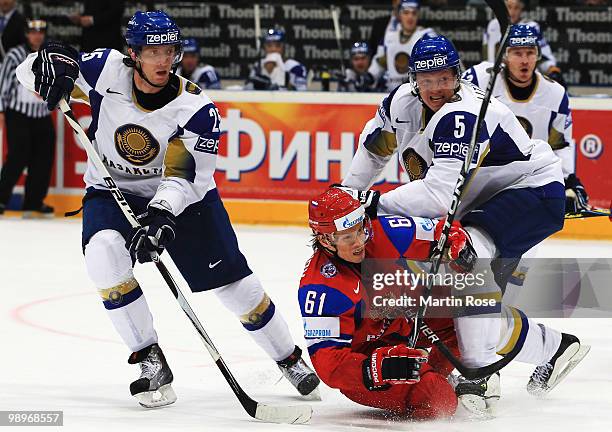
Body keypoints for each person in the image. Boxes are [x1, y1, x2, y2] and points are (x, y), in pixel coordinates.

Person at [16, 10, 319, 407]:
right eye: (152, 51)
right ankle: (149, 358)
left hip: (183, 199)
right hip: (112, 189)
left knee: (236, 288)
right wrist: (53, 63)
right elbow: (26, 73)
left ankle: (288, 357)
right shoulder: (106, 69)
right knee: (103, 254)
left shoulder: (195, 109)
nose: (162, 61)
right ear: (133, 54)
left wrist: (160, 216)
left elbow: (183, 177)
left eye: (169, 51)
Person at [341, 35, 587, 415]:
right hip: (481, 204)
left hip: (531, 192)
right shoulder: (399, 103)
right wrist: (349, 195)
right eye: (427, 79)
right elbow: (374, 149)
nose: (436, 88)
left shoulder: (463, 114)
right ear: (413, 80)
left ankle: (480, 373)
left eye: (444, 78)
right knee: (467, 296)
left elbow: (438, 197)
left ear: (457, 75)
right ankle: (555, 347)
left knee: (463, 260)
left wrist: (372, 203)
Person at [463, 24, 590, 303]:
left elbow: (561, 144)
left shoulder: (555, 95)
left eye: (530, 52)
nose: (524, 59)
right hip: (484, 183)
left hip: (527, 187)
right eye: (517, 52)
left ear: (538, 56)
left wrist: (570, 180)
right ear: (505, 55)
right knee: (473, 254)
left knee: (516, 268)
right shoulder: (477, 78)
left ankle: (502, 321)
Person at [0, 19, 54, 217]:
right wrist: (1, 110)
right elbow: (4, 82)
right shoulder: (15, 54)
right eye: (33, 32)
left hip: (42, 115)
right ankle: (1, 198)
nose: (37, 35)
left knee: (43, 159)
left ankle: (33, 202)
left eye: (40, 32)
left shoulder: (51, 54)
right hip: (18, 114)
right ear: (26, 34)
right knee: (17, 157)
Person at [482, 0, 564, 86]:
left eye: (516, 8)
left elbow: (544, 57)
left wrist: (553, 70)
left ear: (522, 9)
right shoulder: (492, 26)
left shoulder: (531, 27)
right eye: (509, 7)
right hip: (497, 81)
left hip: (527, 82)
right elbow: (486, 56)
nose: (512, 12)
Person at [369, 0, 436, 92]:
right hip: (391, 92)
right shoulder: (389, 37)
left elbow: (433, 64)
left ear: (418, 15)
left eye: (414, 13)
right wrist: (370, 76)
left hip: (418, 94)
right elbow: (380, 62)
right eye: (406, 13)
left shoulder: (426, 36)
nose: (410, 17)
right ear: (399, 15)